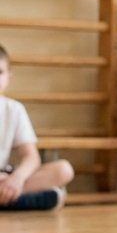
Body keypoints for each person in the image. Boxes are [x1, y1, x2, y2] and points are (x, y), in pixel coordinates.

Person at [0, 45, 74, 211]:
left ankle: (8, 196)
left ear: (9, 77)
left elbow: (31, 157)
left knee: (63, 170)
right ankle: (16, 201)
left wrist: (16, 179)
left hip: (5, 178)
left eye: (0, 72)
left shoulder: (14, 109)